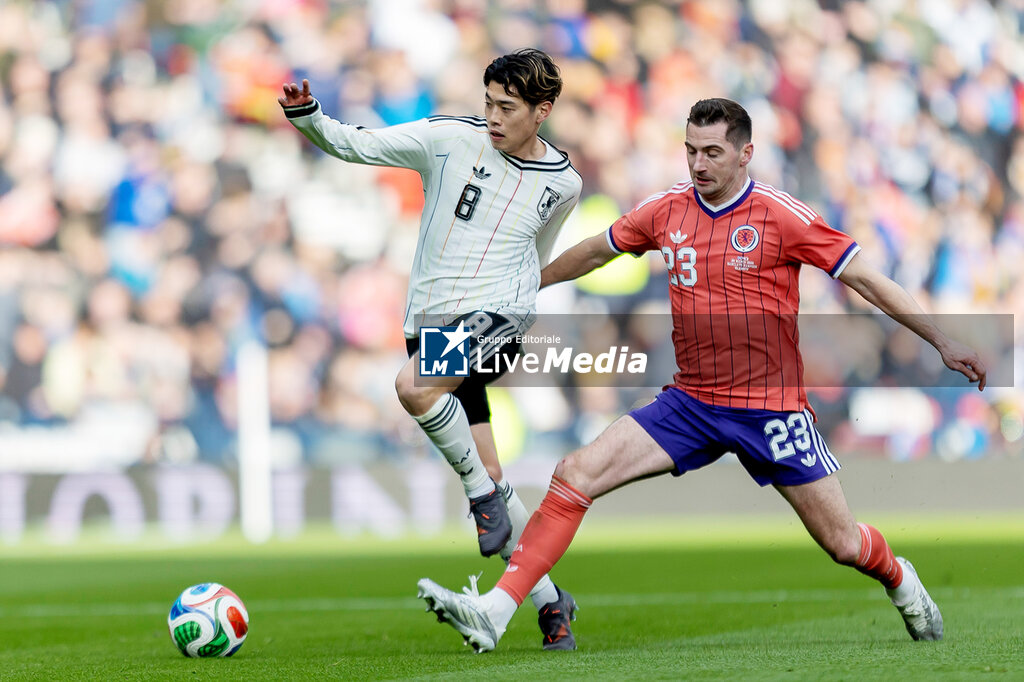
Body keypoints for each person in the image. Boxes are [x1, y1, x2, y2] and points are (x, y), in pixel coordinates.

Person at [416, 97, 987, 652]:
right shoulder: (666, 209)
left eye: (712, 152)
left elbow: (865, 277)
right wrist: (528, 283)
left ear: (746, 154)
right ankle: (498, 609)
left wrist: (942, 339)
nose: (697, 164)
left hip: (771, 411)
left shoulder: (781, 215)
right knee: (575, 472)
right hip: (691, 404)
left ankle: (900, 579)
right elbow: (595, 251)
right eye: (690, 150)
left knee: (842, 543)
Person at [278, 48, 583, 650]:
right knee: (493, 471)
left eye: (508, 107)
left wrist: (518, 298)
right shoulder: (446, 138)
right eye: (489, 103)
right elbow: (356, 144)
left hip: (500, 317)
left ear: (541, 112)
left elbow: (537, 254)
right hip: (432, 322)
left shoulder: (564, 185)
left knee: (412, 387)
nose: (493, 117)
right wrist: (308, 115)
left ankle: (478, 500)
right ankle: (551, 603)